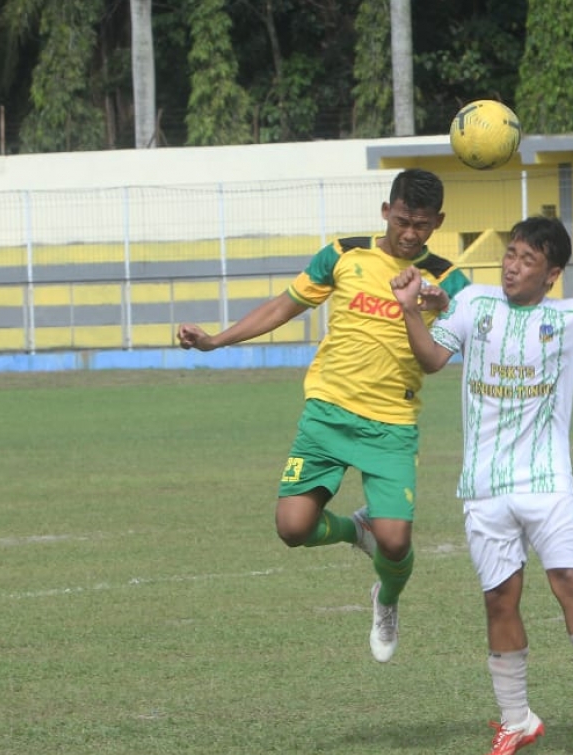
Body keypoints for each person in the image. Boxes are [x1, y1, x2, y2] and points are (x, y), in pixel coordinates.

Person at [391, 216, 573, 755]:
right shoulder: (474, 303)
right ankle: (516, 719)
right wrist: (409, 311)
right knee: (500, 600)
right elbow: (431, 360)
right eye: (511, 253)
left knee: (570, 581)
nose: (512, 265)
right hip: (484, 486)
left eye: (526, 259)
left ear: (552, 274)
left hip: (546, 481)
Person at [176, 168, 468, 662]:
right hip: (326, 414)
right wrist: (215, 341)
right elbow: (281, 307)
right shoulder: (343, 253)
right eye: (402, 220)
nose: (410, 233)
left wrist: (437, 303)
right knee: (292, 528)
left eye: (421, 224)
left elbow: (446, 353)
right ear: (385, 211)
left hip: (391, 424)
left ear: (437, 222)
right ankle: (357, 529)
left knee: (396, 543)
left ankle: (387, 598)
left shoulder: (449, 280)